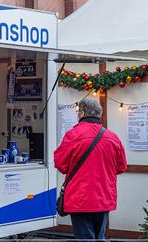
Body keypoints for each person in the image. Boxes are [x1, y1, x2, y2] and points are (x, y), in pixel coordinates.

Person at [54, 98, 127, 241]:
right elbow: (121, 167)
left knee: (85, 238)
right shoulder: (113, 137)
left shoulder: (73, 135)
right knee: (100, 237)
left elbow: (60, 164)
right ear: (99, 115)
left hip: (79, 198)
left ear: (81, 113)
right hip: (104, 197)